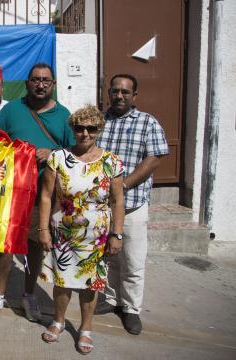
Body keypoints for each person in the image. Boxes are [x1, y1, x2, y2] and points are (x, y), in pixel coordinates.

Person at [0, 63, 75, 322]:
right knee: (5, 244)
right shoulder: (12, 110)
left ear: (53, 85)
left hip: (44, 196)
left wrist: (53, 153)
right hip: (11, 192)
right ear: (27, 83)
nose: (40, 84)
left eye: (46, 80)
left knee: (35, 245)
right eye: (35, 80)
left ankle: (29, 294)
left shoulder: (63, 115)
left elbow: (74, 154)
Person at [38, 105, 125, 355]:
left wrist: (116, 234)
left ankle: (86, 328)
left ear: (100, 130)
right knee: (62, 281)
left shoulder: (112, 162)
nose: (85, 133)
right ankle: (58, 321)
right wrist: (42, 228)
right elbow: (46, 196)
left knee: (91, 284)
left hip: (96, 235)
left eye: (91, 128)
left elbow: (118, 201)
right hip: (64, 233)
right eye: (79, 128)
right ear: (73, 129)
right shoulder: (58, 158)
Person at [95, 74, 169, 335]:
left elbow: (154, 158)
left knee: (133, 261)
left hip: (132, 204)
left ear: (134, 96)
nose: (119, 96)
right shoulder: (99, 121)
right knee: (108, 258)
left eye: (125, 92)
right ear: (109, 93)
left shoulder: (147, 122)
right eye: (115, 91)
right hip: (102, 206)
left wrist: (123, 185)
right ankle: (113, 300)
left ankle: (131, 309)